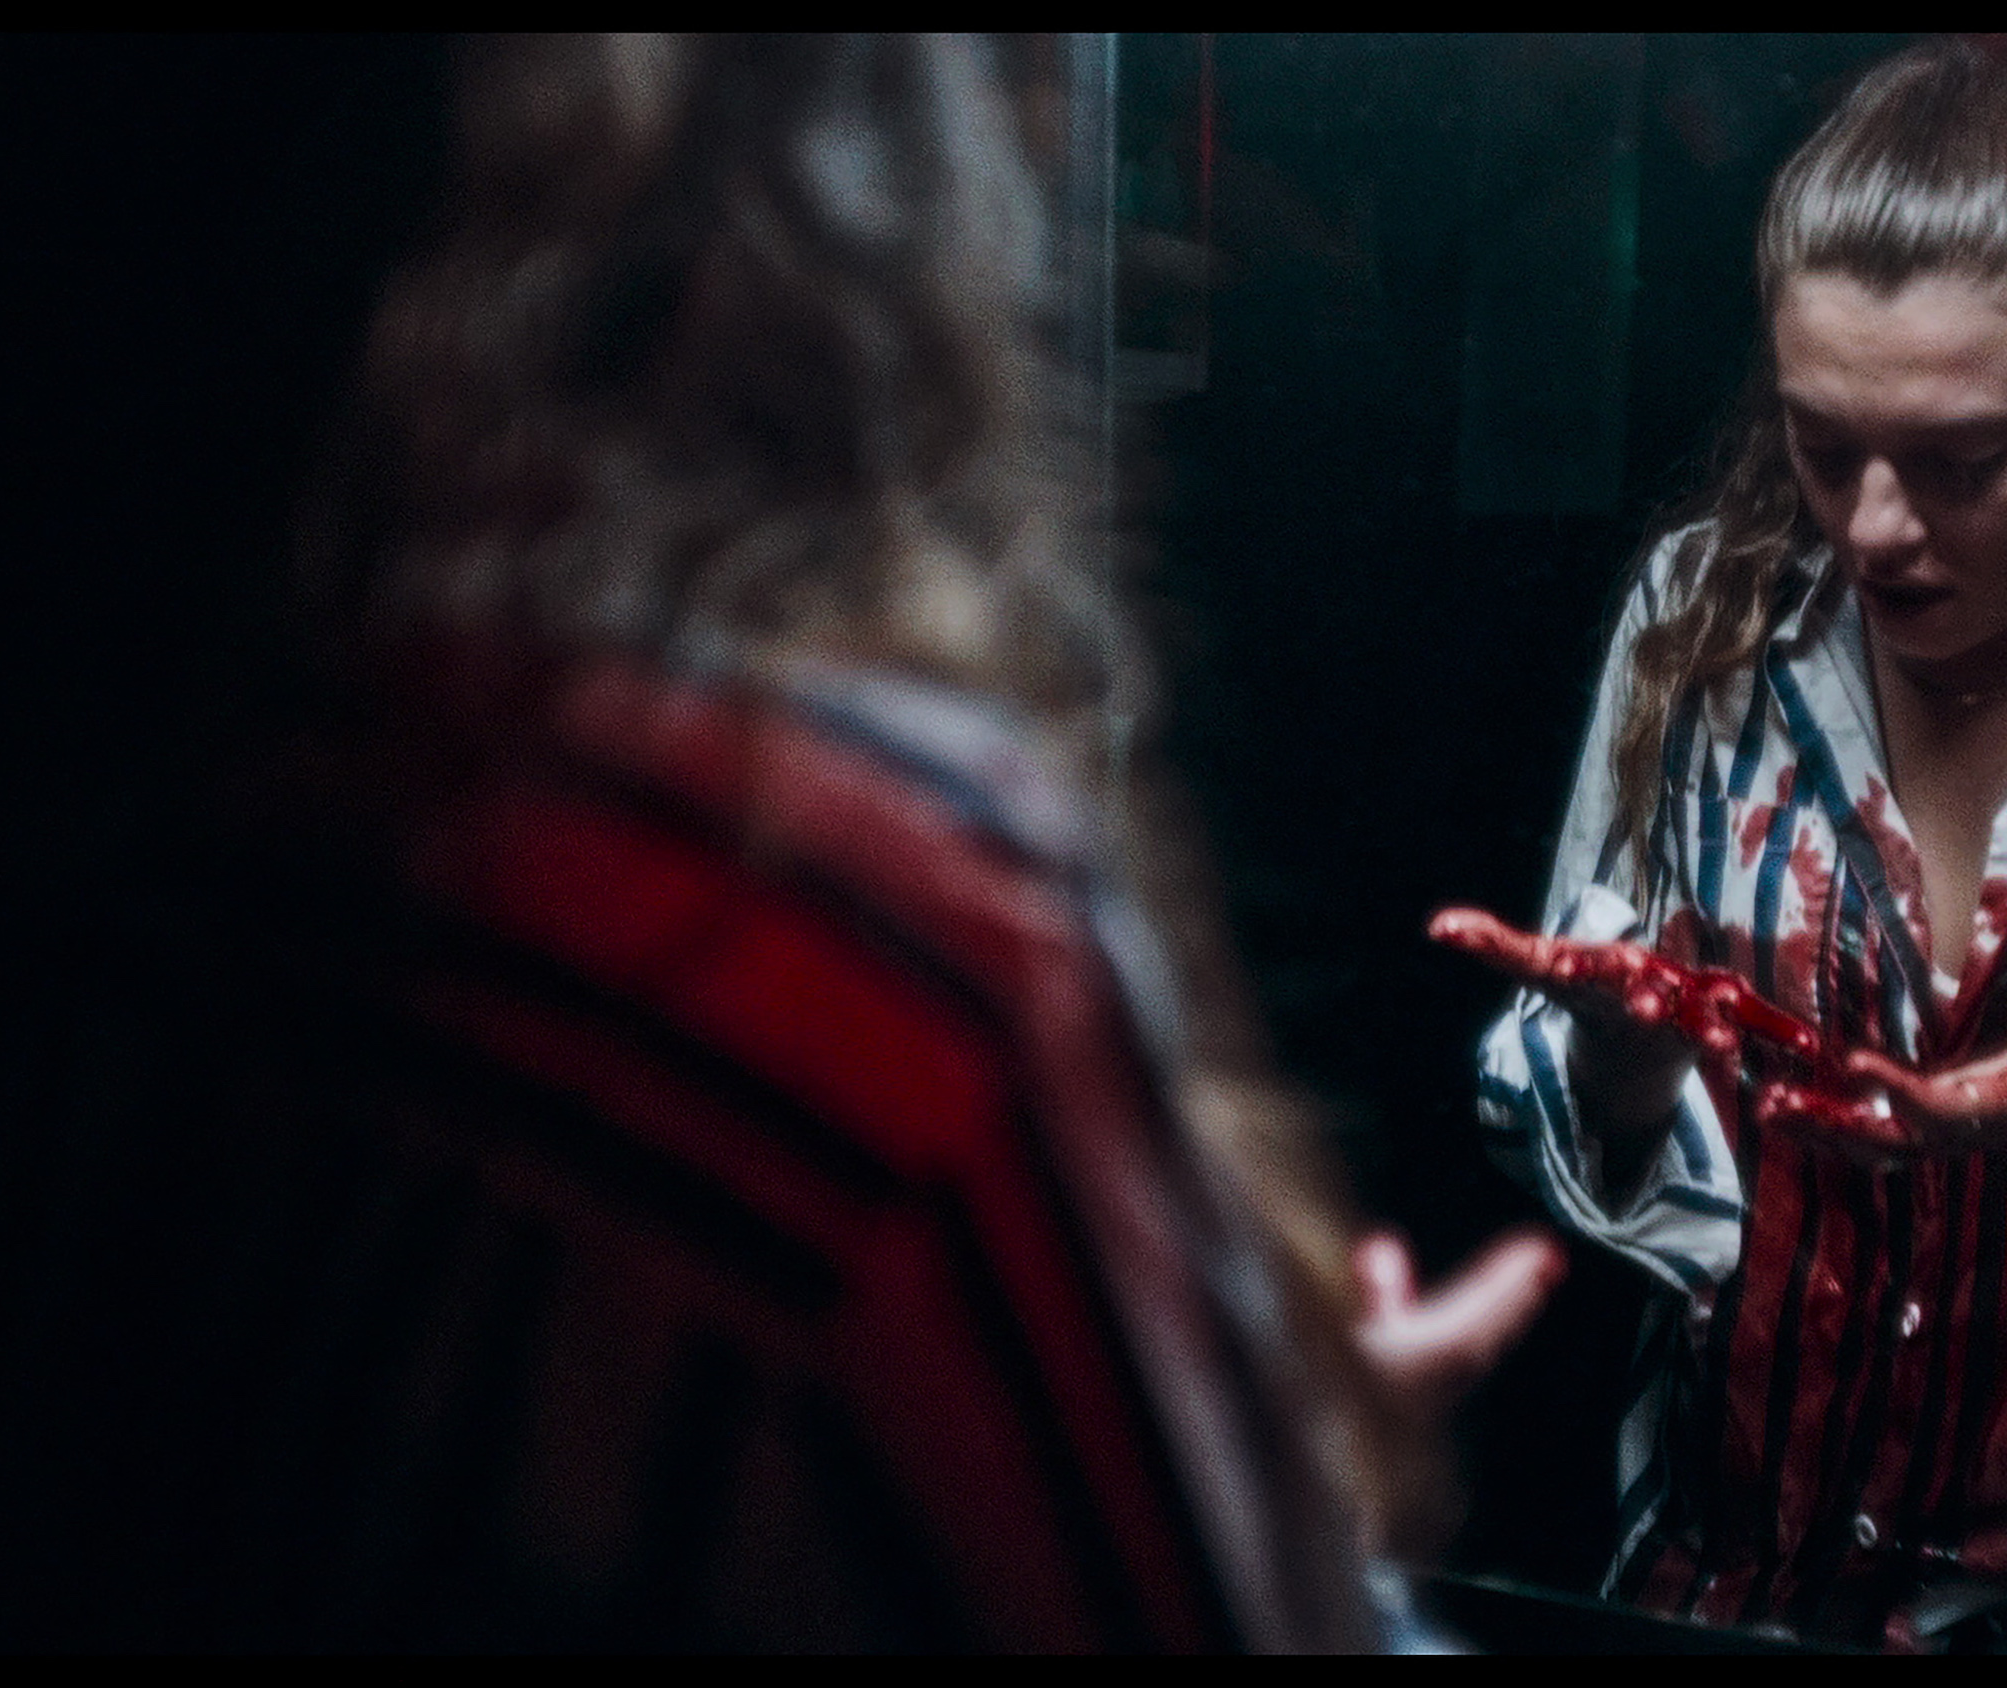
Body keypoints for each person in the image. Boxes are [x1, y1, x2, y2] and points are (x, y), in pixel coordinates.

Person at [144, 32, 1559, 1650]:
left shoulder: (194, 799)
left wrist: (1163, 1402)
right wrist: (1278, 1523)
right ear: (873, 202)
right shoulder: (852, 936)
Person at [1444, 37, 2007, 1651]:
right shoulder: (1707, 620)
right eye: (1823, 444)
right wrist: (1622, 1064)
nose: (1873, 524)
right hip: (1736, 1600)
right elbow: (1579, 1120)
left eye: (1966, 461)